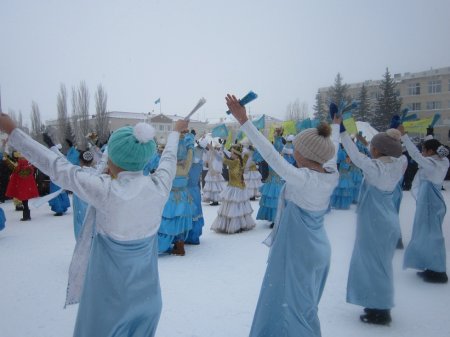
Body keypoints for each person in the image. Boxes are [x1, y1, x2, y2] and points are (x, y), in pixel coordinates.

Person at [0, 112, 187, 337]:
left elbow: (58, 168)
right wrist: (175, 131)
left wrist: (14, 132)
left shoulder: (106, 190)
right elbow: (168, 159)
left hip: (110, 303)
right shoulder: (159, 186)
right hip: (149, 300)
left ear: (112, 159)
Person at [226, 94, 339, 337]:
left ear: (303, 154)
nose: (292, 151)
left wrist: (245, 121)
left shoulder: (303, 178)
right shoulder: (331, 173)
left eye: (296, 148)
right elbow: (332, 148)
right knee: (304, 307)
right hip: (317, 248)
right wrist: (335, 125)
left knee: (291, 310)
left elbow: (271, 156)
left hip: (297, 250)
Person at [340, 119, 406, 326]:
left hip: (374, 222)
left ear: (377, 151)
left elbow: (356, 155)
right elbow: (398, 151)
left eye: (373, 147)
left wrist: (342, 131)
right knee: (380, 264)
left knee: (374, 265)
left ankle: (380, 309)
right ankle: (376, 301)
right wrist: (396, 133)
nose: (371, 149)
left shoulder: (375, 169)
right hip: (387, 219)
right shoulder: (399, 163)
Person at [400, 126, 449, 283]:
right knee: (428, 234)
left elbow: (415, 155)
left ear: (429, 152)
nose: (421, 152)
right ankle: (432, 265)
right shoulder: (442, 160)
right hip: (432, 202)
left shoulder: (432, 164)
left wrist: (404, 136)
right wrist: (429, 136)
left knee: (432, 236)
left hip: (430, 203)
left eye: (424, 150)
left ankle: (438, 270)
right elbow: (429, 150)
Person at [158, 131, 195, 256]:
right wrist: (189, 144)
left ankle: (165, 244)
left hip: (171, 197)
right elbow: (190, 153)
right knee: (179, 220)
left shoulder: (169, 166)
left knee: (168, 220)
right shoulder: (186, 166)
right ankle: (180, 245)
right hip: (183, 197)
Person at [211, 143, 256, 234]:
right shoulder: (241, 161)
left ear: (236, 154)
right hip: (239, 187)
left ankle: (236, 226)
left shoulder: (234, 162)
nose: (230, 154)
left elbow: (222, 159)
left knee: (233, 208)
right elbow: (247, 154)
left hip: (235, 187)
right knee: (239, 207)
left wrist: (212, 150)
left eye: (232, 152)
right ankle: (240, 225)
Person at [5, 151, 39, 221]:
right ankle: (27, 215)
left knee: (24, 201)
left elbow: (13, 169)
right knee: (25, 200)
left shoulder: (19, 166)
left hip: (21, 185)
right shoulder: (29, 165)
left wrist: (6, 159)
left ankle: (26, 216)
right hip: (27, 185)